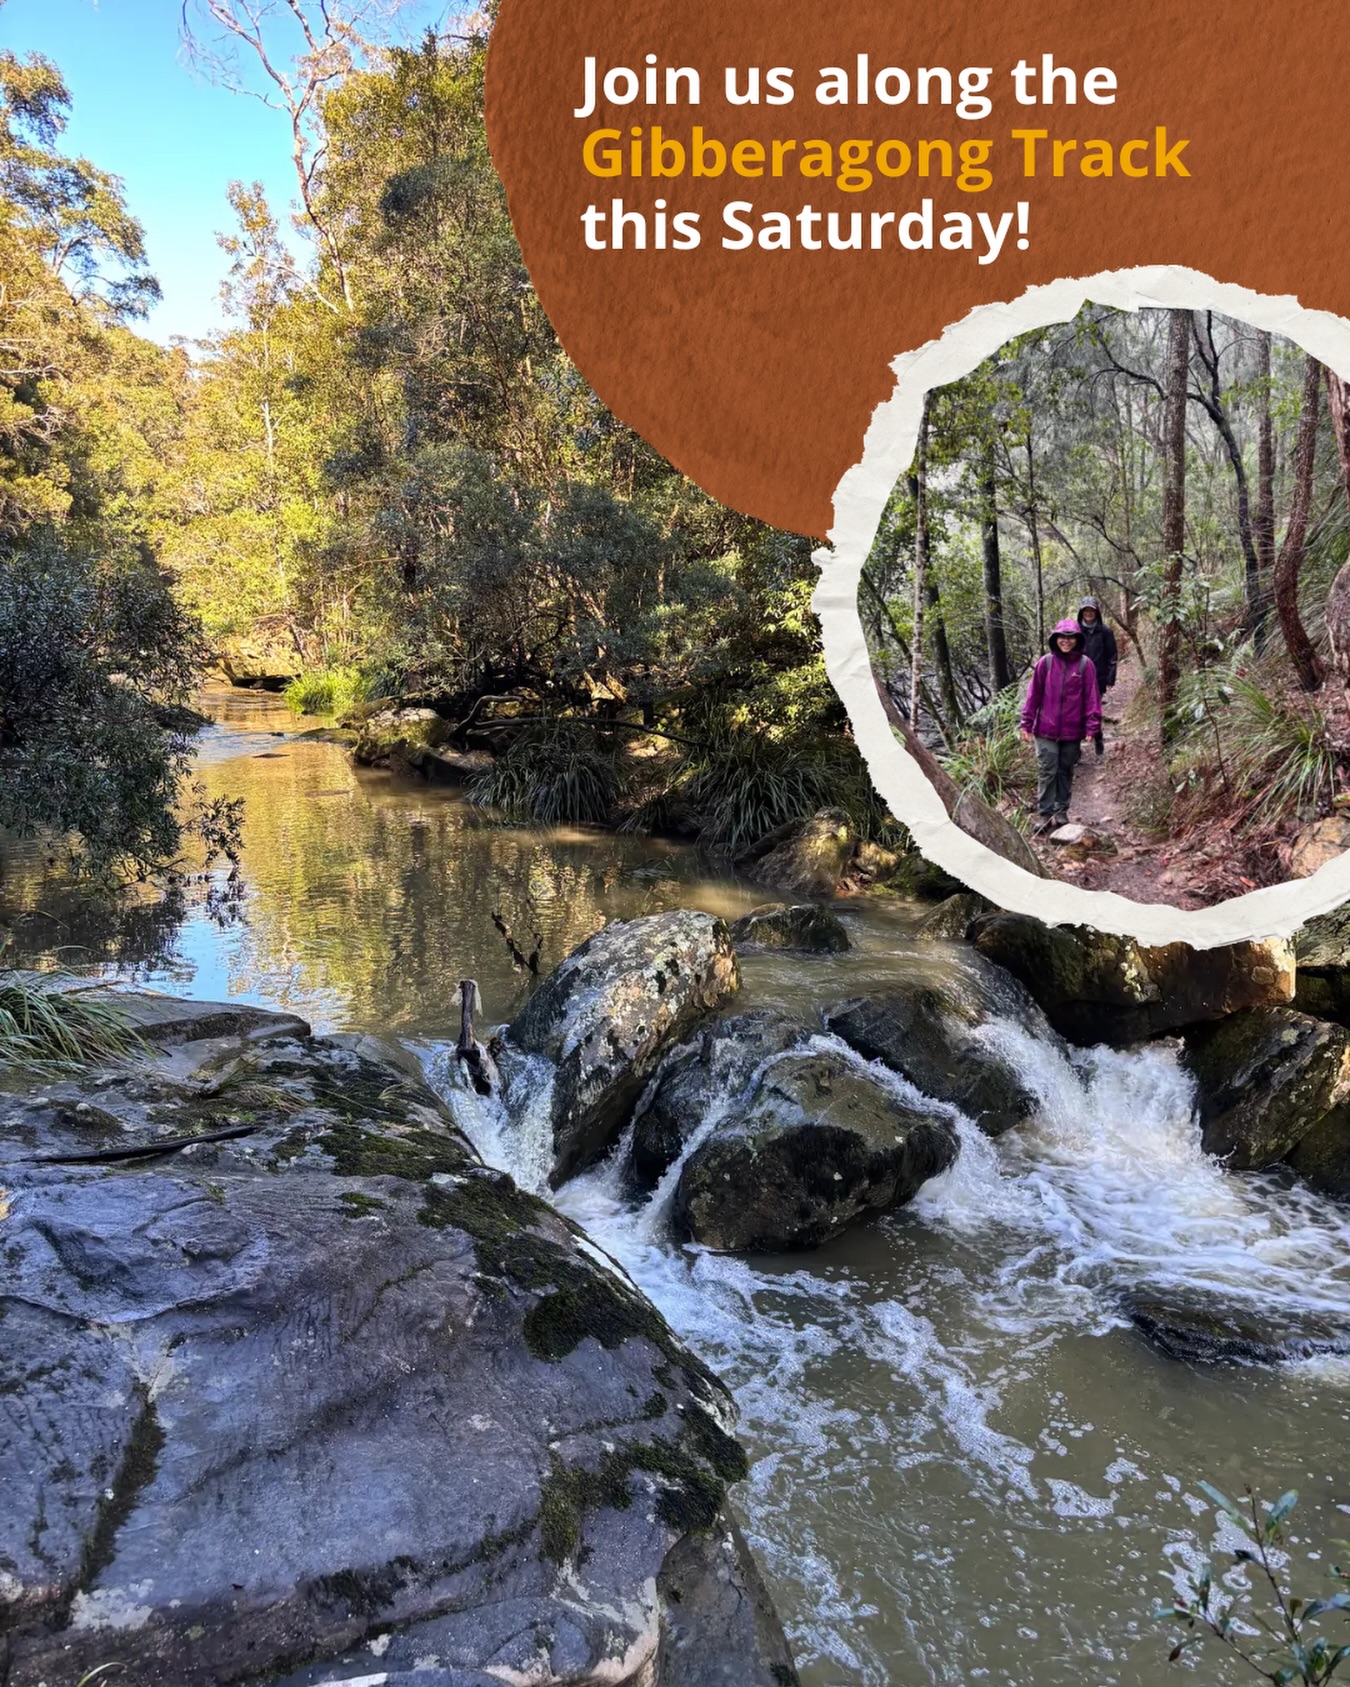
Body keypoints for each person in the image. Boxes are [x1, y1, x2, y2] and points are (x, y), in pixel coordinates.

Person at [1020, 618, 1102, 833]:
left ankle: (1061, 811)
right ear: (1055, 639)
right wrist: (1026, 723)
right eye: (1061, 637)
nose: (1065, 641)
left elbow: (1092, 698)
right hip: (1045, 730)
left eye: (1070, 637)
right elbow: (1033, 696)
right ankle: (1045, 815)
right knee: (1047, 770)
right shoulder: (1045, 663)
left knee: (1065, 770)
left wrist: (1092, 727)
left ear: (1077, 639)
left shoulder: (1086, 665)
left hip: (1072, 731)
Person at [1076, 596, 1118, 756]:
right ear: (1081, 612)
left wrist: (1110, 678)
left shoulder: (1105, 631)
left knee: (1094, 710)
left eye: (1091, 610)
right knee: (1077, 711)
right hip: (1077, 678)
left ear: (1096, 612)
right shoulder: (1076, 631)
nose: (1088, 613)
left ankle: (1098, 737)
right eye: (1085, 610)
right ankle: (1076, 747)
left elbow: (1112, 655)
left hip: (1098, 678)